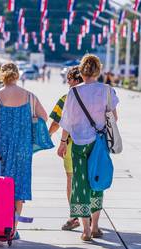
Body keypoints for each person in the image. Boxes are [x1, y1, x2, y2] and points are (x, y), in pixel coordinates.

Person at [57, 54, 119, 242]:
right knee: (97, 181)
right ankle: (96, 225)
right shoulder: (107, 90)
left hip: (79, 144)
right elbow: (114, 118)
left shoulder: (73, 92)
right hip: (99, 144)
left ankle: (86, 230)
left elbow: (66, 122)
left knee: (81, 184)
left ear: (82, 70)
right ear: (98, 70)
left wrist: (62, 143)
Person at [0, 62, 47, 240]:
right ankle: (13, 229)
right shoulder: (30, 96)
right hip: (23, 148)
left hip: (1, 148)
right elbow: (44, 117)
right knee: (19, 187)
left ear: (2, 75)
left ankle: (1, 224)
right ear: (17, 75)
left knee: (0, 185)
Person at [48, 66, 83, 231]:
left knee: (71, 179)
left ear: (76, 80)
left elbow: (56, 122)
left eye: (69, 79)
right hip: (91, 145)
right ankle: (88, 215)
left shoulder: (66, 97)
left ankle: (74, 216)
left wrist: (47, 136)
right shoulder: (94, 97)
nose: (67, 82)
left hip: (71, 144)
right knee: (86, 180)